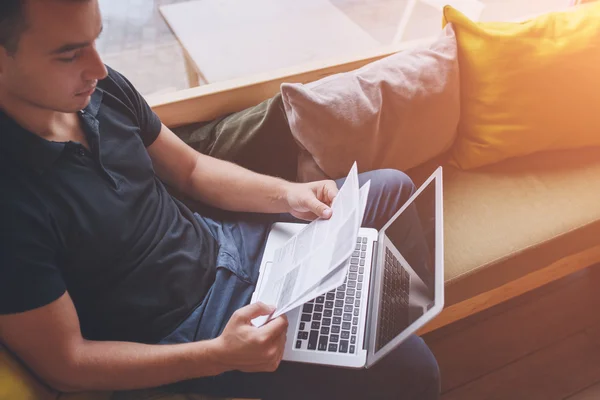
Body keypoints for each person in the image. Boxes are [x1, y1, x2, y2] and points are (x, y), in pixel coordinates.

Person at [0, 1, 440, 399]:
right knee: (416, 370)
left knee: (393, 189)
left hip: (233, 246)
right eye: (69, 53)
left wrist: (290, 193)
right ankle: (370, 351)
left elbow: (191, 169)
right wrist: (220, 355)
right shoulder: (11, 201)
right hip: (193, 330)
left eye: (97, 39)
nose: (98, 66)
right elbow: (66, 363)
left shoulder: (102, 88)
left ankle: (368, 328)